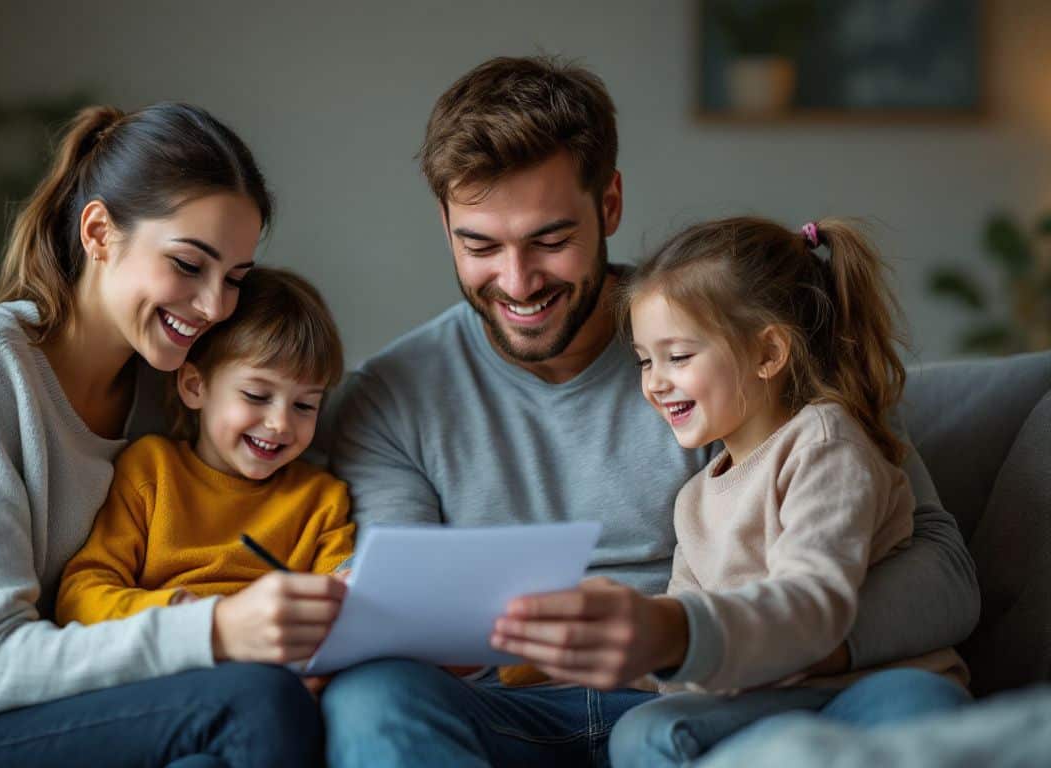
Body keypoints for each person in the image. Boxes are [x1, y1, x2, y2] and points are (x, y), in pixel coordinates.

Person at [320, 56, 979, 767]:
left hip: (727, 698)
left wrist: (720, 644)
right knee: (371, 697)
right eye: (479, 245)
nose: (516, 282)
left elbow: (944, 577)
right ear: (445, 224)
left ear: (609, 204)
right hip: (517, 711)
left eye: (550, 240)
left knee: (917, 707)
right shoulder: (387, 400)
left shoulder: (736, 340)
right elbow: (408, 610)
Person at [0, 104, 344, 768]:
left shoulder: (170, 393)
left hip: (81, 713)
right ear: (100, 232)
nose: (216, 306)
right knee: (254, 704)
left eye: (235, 280)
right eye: (190, 265)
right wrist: (215, 630)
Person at [605, 216, 970, 767]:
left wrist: (678, 636)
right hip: (766, 702)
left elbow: (812, 599)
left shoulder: (826, 442)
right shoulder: (694, 500)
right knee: (642, 733)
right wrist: (611, 647)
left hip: (866, 687)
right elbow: (684, 637)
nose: (655, 381)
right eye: (645, 361)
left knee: (922, 706)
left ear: (768, 354)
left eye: (678, 356)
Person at [55, 266, 353, 697]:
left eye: (305, 405)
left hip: (275, 688)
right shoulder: (150, 472)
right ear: (195, 386)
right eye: (256, 395)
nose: (280, 423)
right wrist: (188, 618)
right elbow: (79, 598)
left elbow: (343, 603)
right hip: (169, 680)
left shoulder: (322, 498)